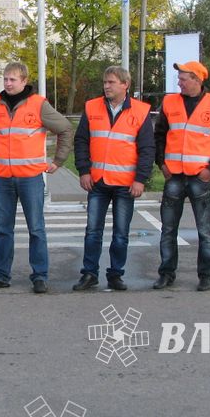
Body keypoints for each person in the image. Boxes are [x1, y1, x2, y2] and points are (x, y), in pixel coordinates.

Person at [0, 62, 72, 294]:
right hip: (4, 178)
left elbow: (65, 128)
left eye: (13, 79)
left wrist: (58, 161)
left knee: (36, 229)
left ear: (24, 81)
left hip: (30, 178)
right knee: (3, 229)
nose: (8, 83)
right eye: (5, 79)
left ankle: (39, 276)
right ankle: (1, 275)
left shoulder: (38, 105)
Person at [152, 61, 210, 292]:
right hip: (174, 176)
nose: (179, 82)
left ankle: (206, 275)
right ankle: (167, 273)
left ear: (197, 80)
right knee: (168, 229)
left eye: (184, 78)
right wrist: (162, 164)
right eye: (179, 78)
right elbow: (159, 135)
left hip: (200, 176)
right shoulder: (170, 102)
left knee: (204, 230)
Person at [72, 66, 155, 292]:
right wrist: (84, 170)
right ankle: (89, 274)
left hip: (126, 184)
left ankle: (115, 274)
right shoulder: (92, 107)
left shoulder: (140, 111)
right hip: (97, 181)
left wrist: (140, 179)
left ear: (124, 85)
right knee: (92, 231)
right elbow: (81, 141)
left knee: (121, 234)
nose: (106, 86)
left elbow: (147, 149)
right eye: (105, 82)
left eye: (111, 82)